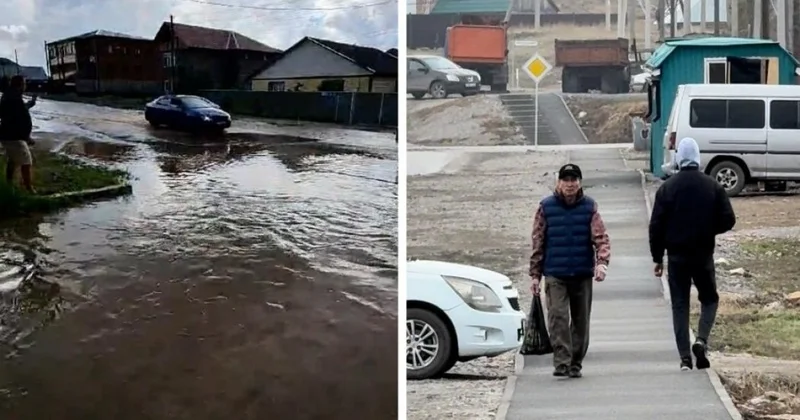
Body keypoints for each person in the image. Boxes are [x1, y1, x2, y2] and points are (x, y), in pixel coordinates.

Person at [649, 137, 736, 371]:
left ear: (679, 158)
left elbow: (656, 225)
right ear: (697, 157)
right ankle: (702, 340)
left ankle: (685, 358)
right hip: (703, 255)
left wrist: (658, 258)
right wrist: (709, 229)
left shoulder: (667, 188)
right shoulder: (713, 186)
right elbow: (729, 219)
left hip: (676, 256)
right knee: (709, 299)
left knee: (680, 305)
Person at [529, 163, 611, 378]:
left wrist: (602, 262)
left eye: (574, 180)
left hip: (582, 273)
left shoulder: (589, 207)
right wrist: (535, 275)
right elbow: (538, 242)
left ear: (579, 182)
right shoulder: (546, 208)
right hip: (555, 273)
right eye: (566, 180)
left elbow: (601, 238)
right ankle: (561, 362)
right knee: (558, 317)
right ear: (559, 182)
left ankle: (576, 362)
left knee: (581, 321)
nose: (570, 184)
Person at [0, 74, 37, 193]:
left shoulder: (10, 95)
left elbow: (19, 111)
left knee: (13, 159)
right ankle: (29, 188)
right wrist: (26, 137)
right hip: (14, 137)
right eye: (24, 83)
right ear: (20, 84)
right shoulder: (14, 98)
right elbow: (19, 118)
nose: (25, 85)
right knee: (26, 161)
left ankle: (9, 185)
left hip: (8, 135)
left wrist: (31, 103)